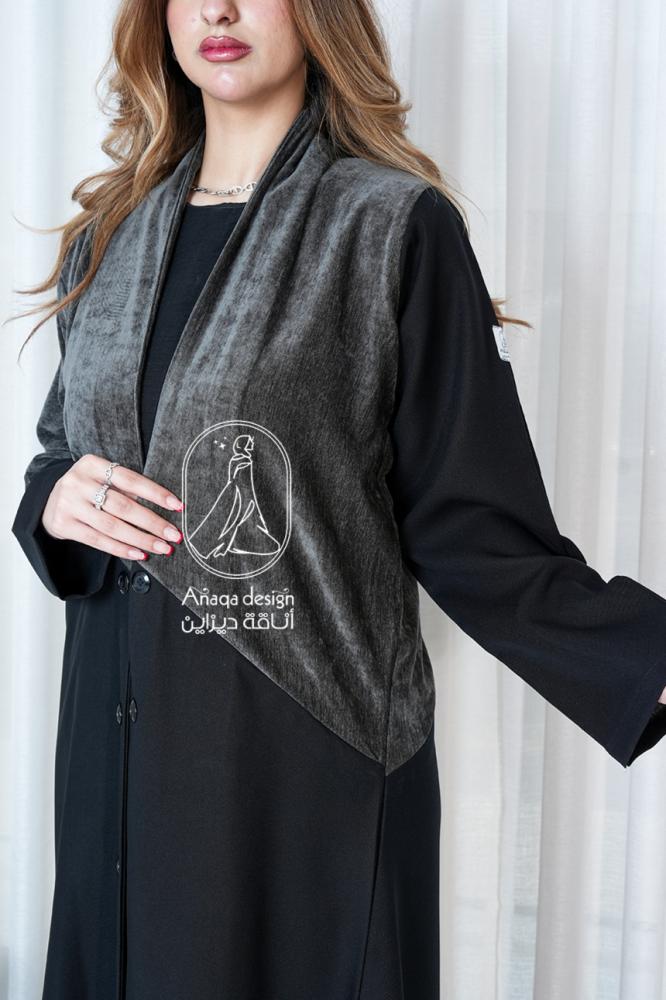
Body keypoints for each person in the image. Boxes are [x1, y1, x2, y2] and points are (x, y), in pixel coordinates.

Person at [10, 1, 666, 998]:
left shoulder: (390, 226)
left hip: (301, 782)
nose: (219, 9)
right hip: (114, 772)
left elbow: (476, 531)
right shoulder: (110, 234)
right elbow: (63, 452)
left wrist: (645, 661)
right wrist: (53, 501)